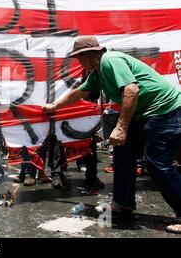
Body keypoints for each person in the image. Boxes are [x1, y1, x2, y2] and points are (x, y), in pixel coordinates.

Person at [42, 36, 181, 233]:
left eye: (79, 58)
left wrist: (121, 127)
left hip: (164, 110)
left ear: (88, 55)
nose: (78, 63)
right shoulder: (97, 71)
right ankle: (122, 203)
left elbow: (131, 90)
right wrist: (55, 106)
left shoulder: (110, 61)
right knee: (122, 154)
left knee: (157, 163)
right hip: (143, 113)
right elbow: (80, 91)